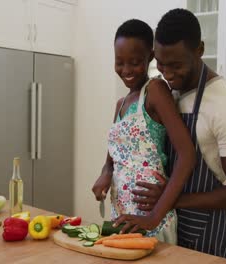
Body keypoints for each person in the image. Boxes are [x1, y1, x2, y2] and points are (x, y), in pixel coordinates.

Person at [115, 9, 226, 258]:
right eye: (161, 63)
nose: (167, 73)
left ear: (199, 50)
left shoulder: (221, 105)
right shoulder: (168, 90)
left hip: (205, 229)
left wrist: (170, 201)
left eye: (176, 65)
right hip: (166, 222)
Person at [92, 19, 196, 244]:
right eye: (120, 62)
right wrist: (105, 175)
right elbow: (111, 160)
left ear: (150, 57)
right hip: (122, 215)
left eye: (135, 62)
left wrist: (154, 216)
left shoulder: (156, 91)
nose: (126, 70)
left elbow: (187, 154)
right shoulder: (120, 104)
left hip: (152, 218)